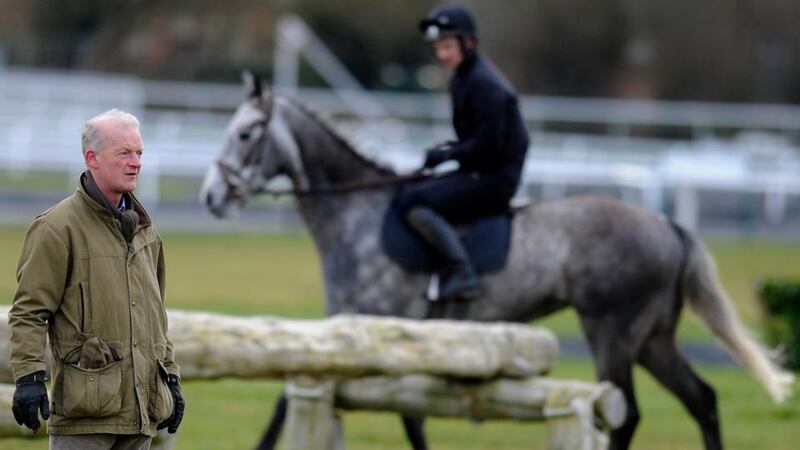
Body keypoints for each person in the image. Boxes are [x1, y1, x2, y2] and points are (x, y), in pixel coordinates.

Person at [8, 109, 185, 450]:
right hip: (83, 419)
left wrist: (171, 376)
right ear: (93, 158)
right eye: (124, 153)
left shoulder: (148, 233)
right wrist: (29, 377)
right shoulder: (56, 228)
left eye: (139, 153)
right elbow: (28, 311)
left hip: (139, 416)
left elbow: (156, 318)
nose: (136, 162)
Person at [396, 4, 529, 301]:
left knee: (413, 202)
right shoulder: (464, 77)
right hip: (480, 170)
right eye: (437, 48)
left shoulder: (484, 84)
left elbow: (489, 145)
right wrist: (448, 150)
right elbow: (476, 138)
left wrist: (448, 155)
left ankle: (462, 271)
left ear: (468, 43)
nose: (442, 55)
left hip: (494, 178)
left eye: (447, 47)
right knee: (410, 189)